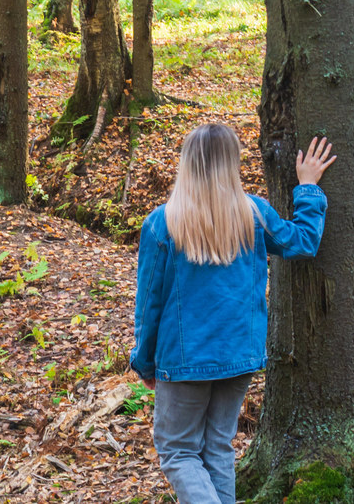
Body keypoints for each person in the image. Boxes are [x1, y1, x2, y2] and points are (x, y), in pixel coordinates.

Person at [129, 124, 336, 504]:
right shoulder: (252, 215)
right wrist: (307, 187)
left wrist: (144, 364)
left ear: (187, 165)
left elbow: (149, 306)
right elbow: (303, 241)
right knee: (217, 448)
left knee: (178, 452)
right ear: (231, 164)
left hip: (185, 360)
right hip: (240, 355)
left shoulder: (162, 224)